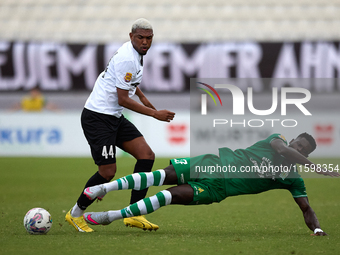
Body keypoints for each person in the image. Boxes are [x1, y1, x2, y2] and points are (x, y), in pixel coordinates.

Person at [82, 133, 339, 235]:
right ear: (292, 141)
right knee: (158, 175)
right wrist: (317, 167)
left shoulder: (292, 178)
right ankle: (104, 188)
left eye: (302, 149)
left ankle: (109, 216)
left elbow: (306, 208)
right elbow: (283, 148)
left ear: (306, 154)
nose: (296, 148)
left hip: (217, 189)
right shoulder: (277, 140)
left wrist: (316, 230)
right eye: (297, 144)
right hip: (212, 162)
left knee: (169, 196)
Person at [65, 18, 175, 232]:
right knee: (107, 172)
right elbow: (123, 99)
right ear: (131, 37)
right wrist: (154, 113)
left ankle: (135, 213)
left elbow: (126, 81)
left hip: (113, 117)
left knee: (146, 155)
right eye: (140, 37)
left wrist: (141, 96)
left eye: (149, 38)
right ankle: (76, 214)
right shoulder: (127, 58)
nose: (145, 42)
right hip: (98, 117)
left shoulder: (135, 54)